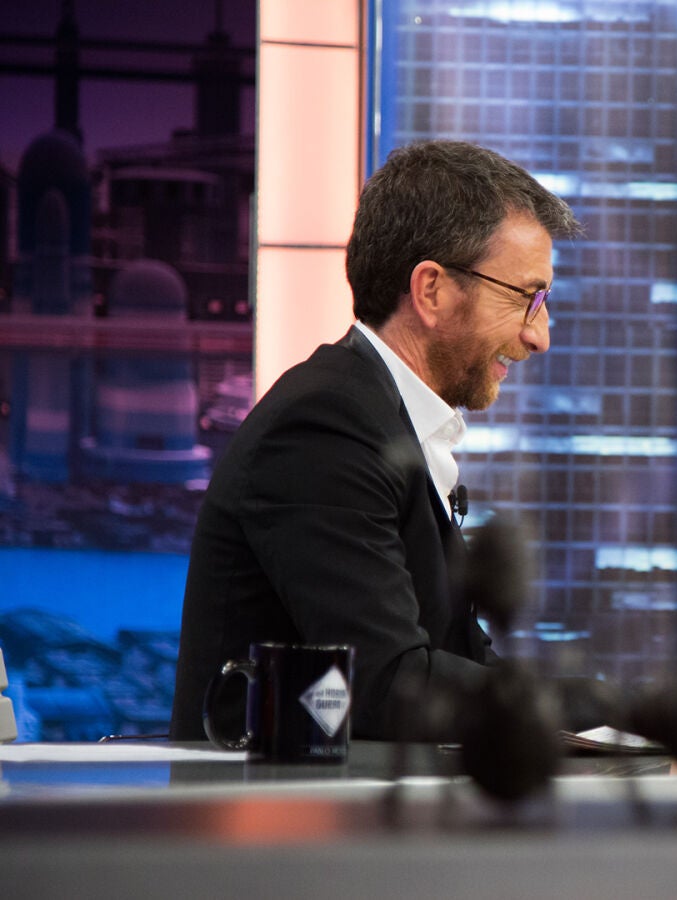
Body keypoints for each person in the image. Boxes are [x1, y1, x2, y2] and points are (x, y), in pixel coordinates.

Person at [170, 140, 581, 741]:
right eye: (527, 297)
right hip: (272, 801)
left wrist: (609, 715)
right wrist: (603, 709)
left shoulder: (379, 418)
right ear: (432, 290)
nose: (539, 335)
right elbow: (388, 683)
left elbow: (457, 658)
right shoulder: (325, 425)